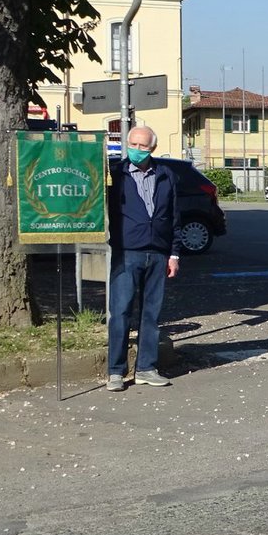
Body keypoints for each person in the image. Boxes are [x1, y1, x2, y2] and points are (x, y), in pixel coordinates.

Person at [105, 125, 181, 392]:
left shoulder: (166, 175)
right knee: (121, 312)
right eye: (133, 145)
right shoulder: (116, 175)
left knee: (151, 315)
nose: (137, 150)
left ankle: (147, 368)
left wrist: (174, 253)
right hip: (127, 252)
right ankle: (115, 371)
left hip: (158, 254)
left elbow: (174, 217)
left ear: (153, 148)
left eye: (143, 146)